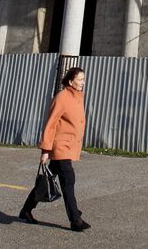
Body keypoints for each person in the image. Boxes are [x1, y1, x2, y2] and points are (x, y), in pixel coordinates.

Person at [20, 66, 89, 231]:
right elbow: (50, 124)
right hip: (60, 146)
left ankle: (26, 210)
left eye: (83, 79)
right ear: (71, 81)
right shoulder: (62, 97)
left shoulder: (77, 97)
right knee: (68, 180)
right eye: (80, 79)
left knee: (47, 181)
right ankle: (75, 219)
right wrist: (45, 150)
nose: (82, 82)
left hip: (67, 145)